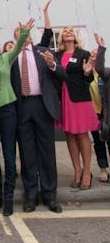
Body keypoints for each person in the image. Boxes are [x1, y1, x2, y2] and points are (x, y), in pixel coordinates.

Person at [11, 21, 64, 214]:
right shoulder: (11, 56)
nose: (26, 35)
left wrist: (52, 65)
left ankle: (50, 194)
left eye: (27, 33)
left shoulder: (43, 52)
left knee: (47, 152)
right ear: (17, 38)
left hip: (42, 105)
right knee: (27, 153)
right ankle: (31, 194)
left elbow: (61, 74)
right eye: (21, 33)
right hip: (22, 107)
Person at [0, 19, 33, 216]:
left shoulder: (6, 58)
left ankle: (9, 196)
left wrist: (24, 31)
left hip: (7, 109)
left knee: (9, 154)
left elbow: (19, 44)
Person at [53, 27, 99, 190]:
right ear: (61, 37)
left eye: (71, 30)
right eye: (65, 31)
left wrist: (87, 72)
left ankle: (87, 172)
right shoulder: (56, 56)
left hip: (79, 98)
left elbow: (90, 77)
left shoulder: (83, 54)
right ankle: (77, 171)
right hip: (63, 98)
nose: (68, 32)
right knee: (70, 135)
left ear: (75, 36)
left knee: (82, 134)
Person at [89, 46, 110, 182]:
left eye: (97, 55)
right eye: (92, 54)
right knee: (98, 142)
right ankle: (103, 169)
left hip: (106, 113)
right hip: (92, 113)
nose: (94, 56)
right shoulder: (85, 74)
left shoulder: (106, 72)